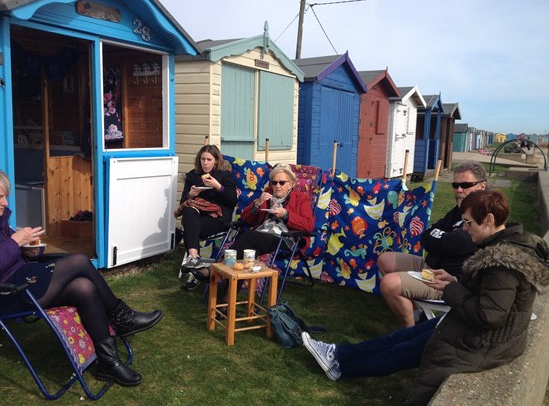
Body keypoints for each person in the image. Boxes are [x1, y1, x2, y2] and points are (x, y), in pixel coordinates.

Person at [301, 190, 549, 405]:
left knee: (403, 351)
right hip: (478, 331)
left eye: (468, 223)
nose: (464, 229)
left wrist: (449, 290)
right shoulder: (505, 246)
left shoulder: (501, 264)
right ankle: (338, 352)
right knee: (401, 337)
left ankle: (341, 367)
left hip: (482, 342)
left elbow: (489, 315)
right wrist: (454, 282)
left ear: (490, 220)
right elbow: (487, 298)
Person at [0, 170, 163, 387]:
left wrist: (30, 250)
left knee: (83, 287)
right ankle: (122, 317)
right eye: (0, 196)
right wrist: (15, 241)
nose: (5, 201)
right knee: (79, 261)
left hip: (26, 280)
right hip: (10, 293)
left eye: (5, 196)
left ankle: (108, 363)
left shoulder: (2, 221)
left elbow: (12, 253)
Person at [378, 161, 487, 327]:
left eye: (465, 185)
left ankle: (408, 334)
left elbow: (455, 242)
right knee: (385, 259)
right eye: (455, 185)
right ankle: (417, 316)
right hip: (432, 266)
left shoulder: (485, 213)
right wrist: (442, 238)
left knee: (389, 283)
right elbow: (427, 236)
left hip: (449, 279)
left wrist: (441, 238)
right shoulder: (460, 208)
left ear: (482, 186)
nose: (459, 190)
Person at [173, 144, 237, 290]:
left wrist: (218, 186)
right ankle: (194, 258)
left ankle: (194, 271)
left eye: (209, 159)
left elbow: (232, 201)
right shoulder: (193, 176)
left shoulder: (224, 176)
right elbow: (184, 203)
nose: (205, 163)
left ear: (216, 161)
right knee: (189, 210)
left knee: (191, 230)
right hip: (195, 216)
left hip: (218, 218)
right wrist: (191, 195)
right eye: (203, 159)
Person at [228, 162, 314, 263]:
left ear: (291, 184)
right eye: (274, 182)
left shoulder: (300, 198)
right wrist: (258, 203)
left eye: (282, 182)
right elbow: (245, 218)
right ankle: (240, 277)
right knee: (249, 254)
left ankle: (220, 266)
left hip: (284, 239)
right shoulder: (267, 195)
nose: (277, 186)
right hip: (262, 236)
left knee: (249, 236)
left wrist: (285, 215)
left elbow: (309, 225)